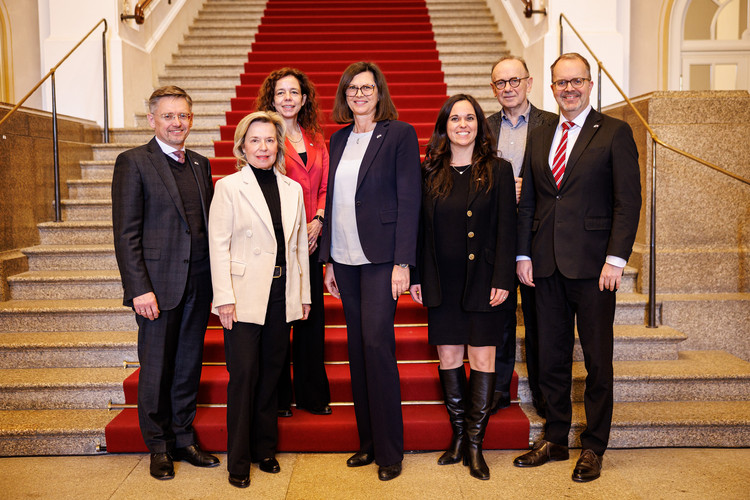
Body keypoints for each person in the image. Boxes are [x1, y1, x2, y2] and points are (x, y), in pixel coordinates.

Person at [512, 53, 641, 482]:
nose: (569, 88)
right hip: (544, 264)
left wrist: (616, 259)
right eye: (561, 82)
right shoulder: (540, 132)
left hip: (593, 268)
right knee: (549, 357)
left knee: (598, 361)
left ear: (591, 84)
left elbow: (628, 202)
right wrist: (523, 254)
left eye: (577, 81)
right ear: (550, 88)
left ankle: (595, 446)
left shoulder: (615, 133)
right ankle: (554, 438)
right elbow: (530, 198)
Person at [319, 61, 421, 481]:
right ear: (344, 96)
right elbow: (332, 201)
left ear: (379, 92)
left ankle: (390, 451)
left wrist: (403, 262)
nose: (359, 94)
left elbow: (409, 198)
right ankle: (368, 443)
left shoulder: (398, 134)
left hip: (382, 260)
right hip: (345, 258)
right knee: (357, 351)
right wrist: (327, 259)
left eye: (367, 87)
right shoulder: (338, 139)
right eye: (352, 89)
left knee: (378, 348)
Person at [112, 85, 219, 480]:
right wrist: (139, 287)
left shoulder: (200, 164)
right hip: (157, 288)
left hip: (198, 283)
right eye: (170, 116)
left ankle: (183, 436)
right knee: (157, 367)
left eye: (184, 116)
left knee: (189, 365)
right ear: (152, 119)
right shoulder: (133, 162)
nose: (178, 123)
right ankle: (158, 445)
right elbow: (126, 233)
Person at [409, 94, 517, 481]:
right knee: (450, 357)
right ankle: (458, 438)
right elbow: (419, 231)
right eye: (454, 119)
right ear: (444, 127)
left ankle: (475, 443)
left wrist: (504, 278)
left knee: (484, 360)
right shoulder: (428, 171)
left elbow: (508, 228)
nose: (462, 124)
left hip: (485, 282)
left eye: (469, 118)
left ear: (478, 125)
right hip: (442, 281)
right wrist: (417, 275)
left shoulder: (498, 170)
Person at [209, 111, 311, 488]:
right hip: (243, 295)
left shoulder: (292, 189)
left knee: (270, 376)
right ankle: (238, 460)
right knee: (244, 377)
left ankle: (264, 450)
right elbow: (217, 247)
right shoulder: (229, 187)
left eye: (270, 140)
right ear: (242, 146)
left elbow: (298, 246)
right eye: (255, 140)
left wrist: (302, 295)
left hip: (281, 294)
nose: (263, 147)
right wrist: (224, 298)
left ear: (278, 146)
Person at [255, 68, 332, 417]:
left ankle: (312, 396)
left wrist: (318, 218)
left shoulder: (316, 138)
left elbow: (325, 188)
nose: (287, 98)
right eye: (281, 92)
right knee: (278, 322)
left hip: (312, 244)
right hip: (277, 242)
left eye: (294, 92)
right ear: (272, 98)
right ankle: (279, 398)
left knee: (310, 320)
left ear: (304, 99)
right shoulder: (264, 139)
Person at [486, 55, 558, 417]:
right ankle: (498, 389)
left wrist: (526, 188)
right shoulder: (482, 128)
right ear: (493, 89)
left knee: (539, 319)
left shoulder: (554, 124)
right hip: (496, 236)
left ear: (529, 83)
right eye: (501, 83)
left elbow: (563, 181)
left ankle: (545, 394)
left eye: (515, 81)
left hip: (539, 234)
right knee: (498, 317)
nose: (508, 88)